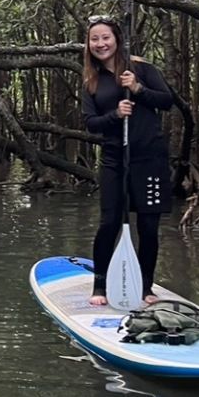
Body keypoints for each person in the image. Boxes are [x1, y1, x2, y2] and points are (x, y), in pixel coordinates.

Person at [81, 16, 173, 306]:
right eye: (94, 39)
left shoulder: (141, 69)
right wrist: (115, 115)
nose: (100, 44)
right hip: (114, 161)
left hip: (149, 159)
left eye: (105, 37)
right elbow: (91, 123)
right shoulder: (91, 82)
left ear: (116, 39)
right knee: (109, 222)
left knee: (147, 226)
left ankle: (146, 287)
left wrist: (138, 89)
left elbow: (167, 101)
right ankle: (100, 287)